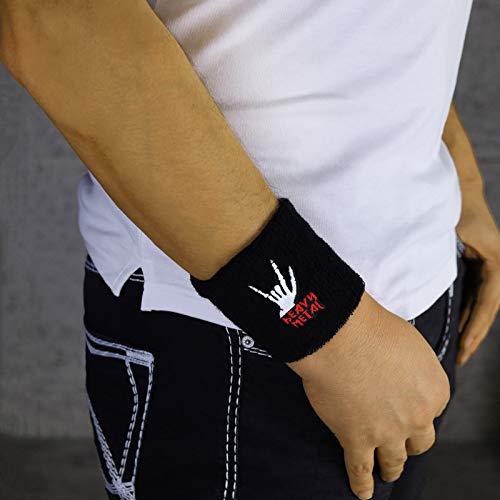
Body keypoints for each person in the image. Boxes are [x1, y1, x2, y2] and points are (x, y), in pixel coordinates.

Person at [1, 1, 499, 499]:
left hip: (414, 294)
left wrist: (461, 178)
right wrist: (330, 329)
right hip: (241, 331)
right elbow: (54, 17)